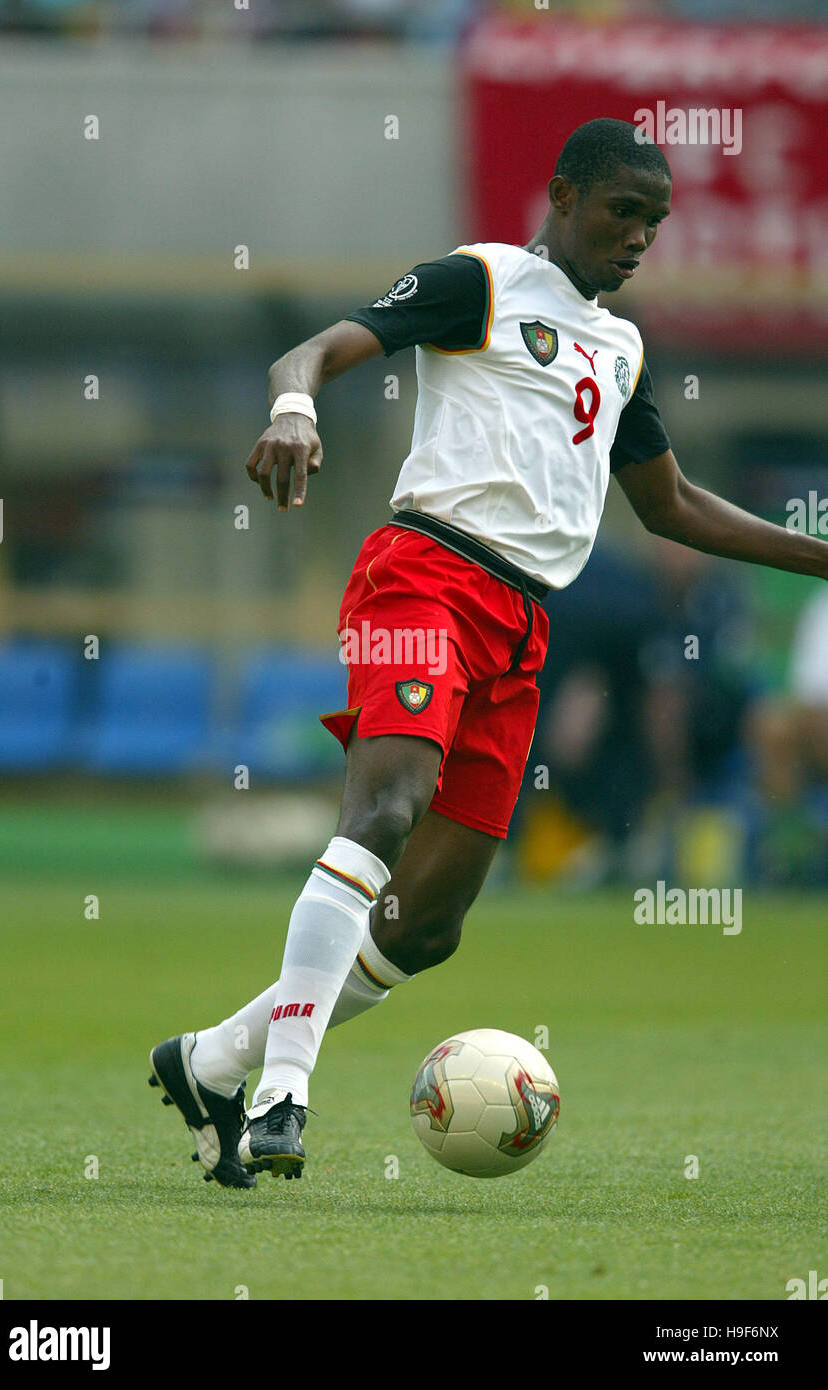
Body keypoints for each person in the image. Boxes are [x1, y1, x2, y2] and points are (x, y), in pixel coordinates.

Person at [148, 118, 828, 1188]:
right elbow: (311, 349)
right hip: (422, 571)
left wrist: (817, 553)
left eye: (652, 221)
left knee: (426, 925)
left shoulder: (617, 346)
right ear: (561, 196)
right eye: (620, 212)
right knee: (383, 806)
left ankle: (211, 1059)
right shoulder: (482, 281)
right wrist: (292, 408)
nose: (637, 236)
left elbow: (671, 504)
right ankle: (282, 1088)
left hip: (518, 626)